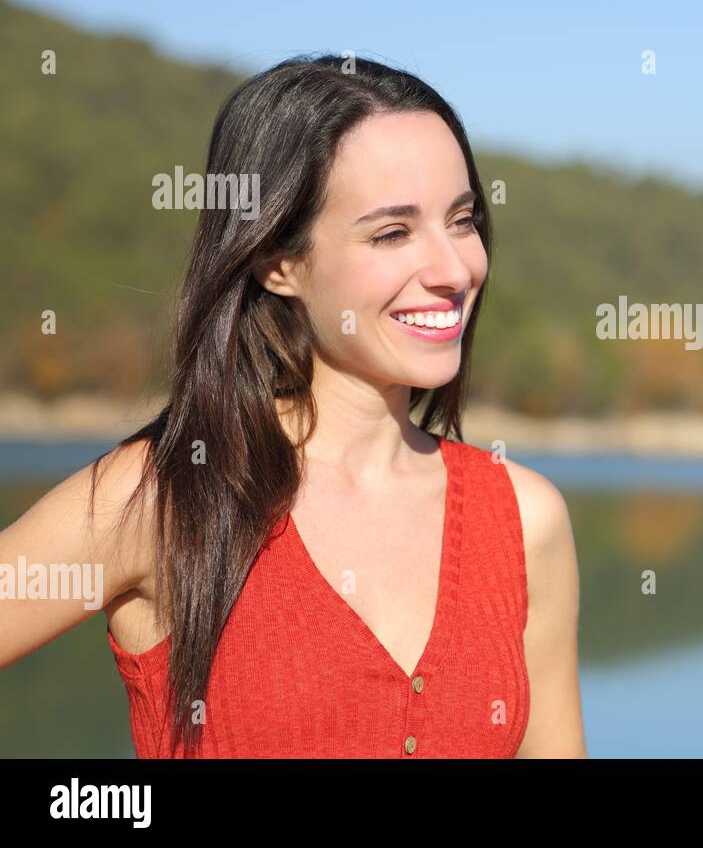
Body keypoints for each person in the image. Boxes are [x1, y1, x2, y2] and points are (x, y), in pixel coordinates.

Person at [0, 54, 587, 758]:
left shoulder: (525, 521)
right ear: (277, 260)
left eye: (462, 221)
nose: (455, 269)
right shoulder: (159, 500)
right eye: (392, 233)